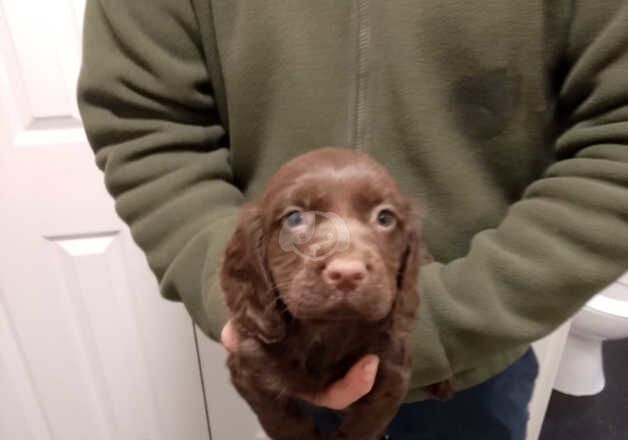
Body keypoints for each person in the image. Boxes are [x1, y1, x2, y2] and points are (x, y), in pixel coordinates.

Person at [78, 1, 628, 438]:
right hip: (286, 340)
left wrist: (436, 325)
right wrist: (242, 304)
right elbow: (145, 127)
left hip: (476, 351)